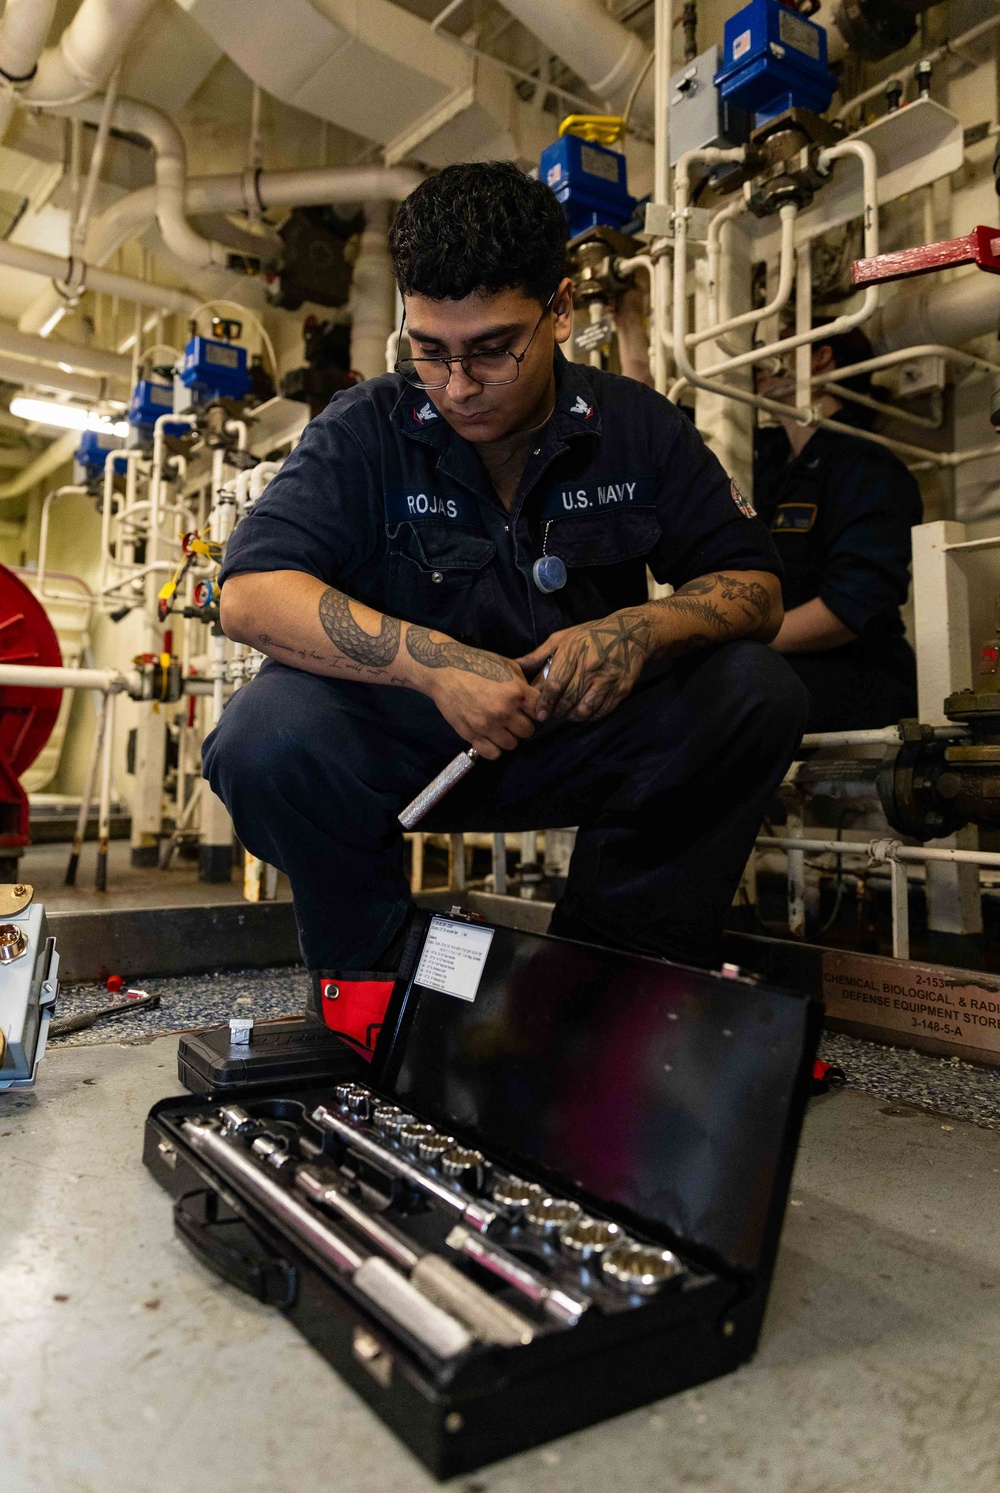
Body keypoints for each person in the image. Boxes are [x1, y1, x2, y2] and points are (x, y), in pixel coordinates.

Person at [204, 161, 808, 1049]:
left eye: (493, 348)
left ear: (561, 309)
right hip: (410, 743)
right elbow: (252, 595)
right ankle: (370, 988)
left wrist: (640, 628)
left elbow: (753, 589)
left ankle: (607, 975)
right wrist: (435, 665)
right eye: (429, 349)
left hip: (581, 732)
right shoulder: (361, 429)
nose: (457, 384)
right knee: (264, 736)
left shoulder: (638, 426)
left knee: (756, 689)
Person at [754, 330, 923, 732]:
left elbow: (851, 608)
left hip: (853, 684)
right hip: (778, 673)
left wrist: (732, 639)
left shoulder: (867, 464)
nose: (759, 362)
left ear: (820, 357)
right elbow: (658, 428)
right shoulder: (767, 462)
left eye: (779, 344)